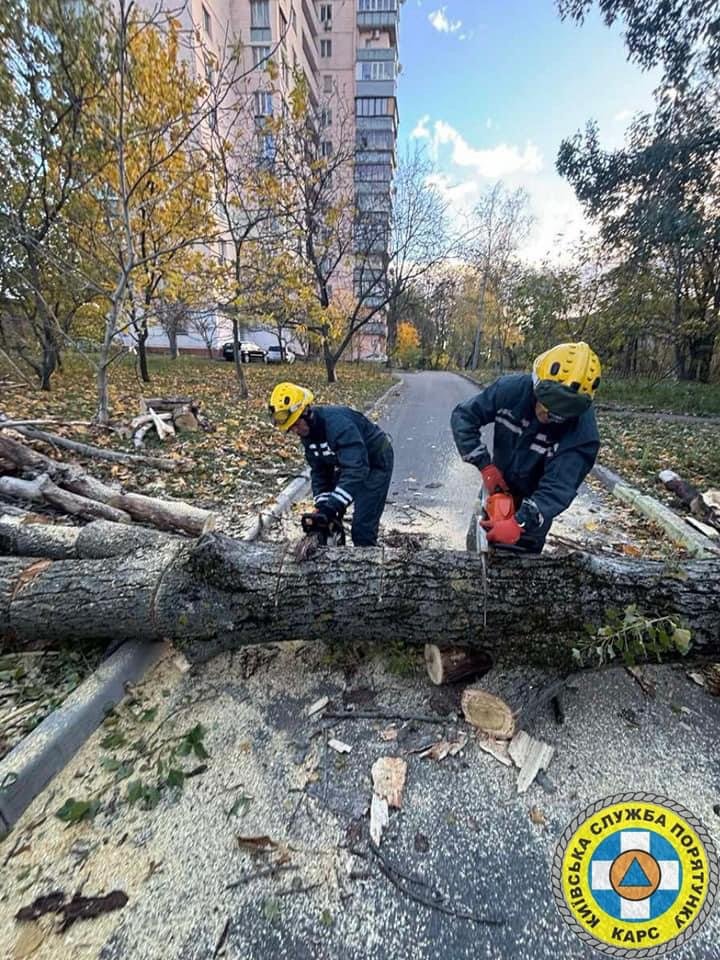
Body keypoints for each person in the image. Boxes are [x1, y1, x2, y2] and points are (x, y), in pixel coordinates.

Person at [451, 342, 601, 553]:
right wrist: (485, 465)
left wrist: (520, 522)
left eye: (559, 415)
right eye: (546, 407)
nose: (548, 417)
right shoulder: (509, 391)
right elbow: (464, 417)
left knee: (520, 568)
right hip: (498, 483)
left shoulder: (582, 435)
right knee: (476, 544)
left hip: (537, 498)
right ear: (536, 384)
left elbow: (559, 488)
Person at [268, 382, 394, 547]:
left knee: (362, 527)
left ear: (307, 413)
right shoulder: (308, 433)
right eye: (291, 428)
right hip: (346, 461)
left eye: (297, 424)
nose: (296, 431)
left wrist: (332, 506)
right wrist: (323, 506)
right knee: (329, 510)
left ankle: (369, 561)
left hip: (375, 462)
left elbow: (357, 470)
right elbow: (320, 470)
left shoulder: (339, 425)